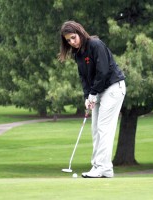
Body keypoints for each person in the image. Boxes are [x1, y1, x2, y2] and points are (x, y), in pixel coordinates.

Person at [59, 21, 126, 178]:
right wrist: (86, 96)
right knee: (95, 129)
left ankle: (102, 167)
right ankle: (102, 168)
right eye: (68, 40)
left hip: (113, 87)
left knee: (104, 128)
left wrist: (93, 93)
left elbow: (102, 71)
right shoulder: (78, 54)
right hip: (98, 91)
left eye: (73, 38)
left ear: (80, 32)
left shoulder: (95, 44)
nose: (72, 42)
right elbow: (83, 77)